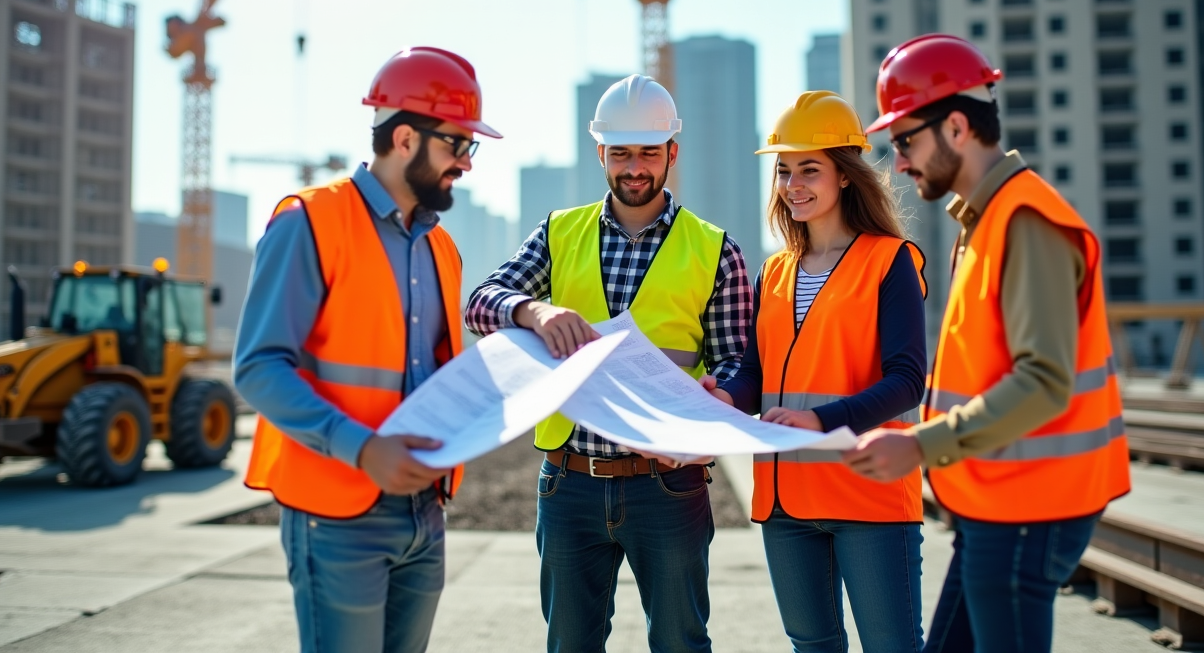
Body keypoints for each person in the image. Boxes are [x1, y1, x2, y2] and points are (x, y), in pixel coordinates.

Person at [840, 34, 1131, 653]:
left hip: (1033, 503)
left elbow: (1045, 382)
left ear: (955, 128)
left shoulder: (1026, 223)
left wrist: (922, 445)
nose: (899, 163)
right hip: (998, 501)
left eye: (906, 141)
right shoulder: (985, 222)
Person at [465, 74, 752, 653]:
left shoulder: (715, 249)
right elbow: (480, 303)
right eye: (620, 153)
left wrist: (711, 409)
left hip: (668, 487)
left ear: (673, 151)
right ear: (600, 153)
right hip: (569, 484)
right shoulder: (557, 233)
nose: (635, 167)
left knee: (680, 643)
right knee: (570, 645)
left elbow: (740, 366)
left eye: (649, 152)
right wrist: (533, 311)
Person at [235, 47, 502, 653]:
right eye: (456, 145)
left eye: (469, 148)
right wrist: (362, 447)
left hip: (423, 514)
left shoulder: (443, 251)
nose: (465, 163)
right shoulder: (310, 222)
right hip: (334, 514)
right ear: (405, 138)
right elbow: (257, 368)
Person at [711, 91, 928, 653]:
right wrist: (726, 398)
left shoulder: (889, 260)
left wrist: (821, 421)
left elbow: (907, 381)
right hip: (787, 501)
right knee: (812, 646)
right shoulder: (774, 271)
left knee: (892, 647)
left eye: (810, 169)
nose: (793, 184)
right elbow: (757, 373)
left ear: (847, 176)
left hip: (868, 494)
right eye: (784, 170)